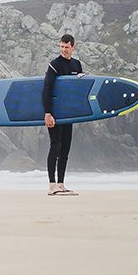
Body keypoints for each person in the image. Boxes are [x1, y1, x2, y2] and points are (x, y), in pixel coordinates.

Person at [43, 34, 85, 196]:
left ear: (73, 47)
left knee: (65, 149)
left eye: (66, 47)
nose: (63, 50)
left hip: (69, 114)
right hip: (54, 113)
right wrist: (48, 113)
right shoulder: (54, 65)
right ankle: (52, 185)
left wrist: (82, 78)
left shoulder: (76, 64)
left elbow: (76, 90)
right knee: (55, 147)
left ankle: (61, 184)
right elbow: (46, 90)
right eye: (61, 46)